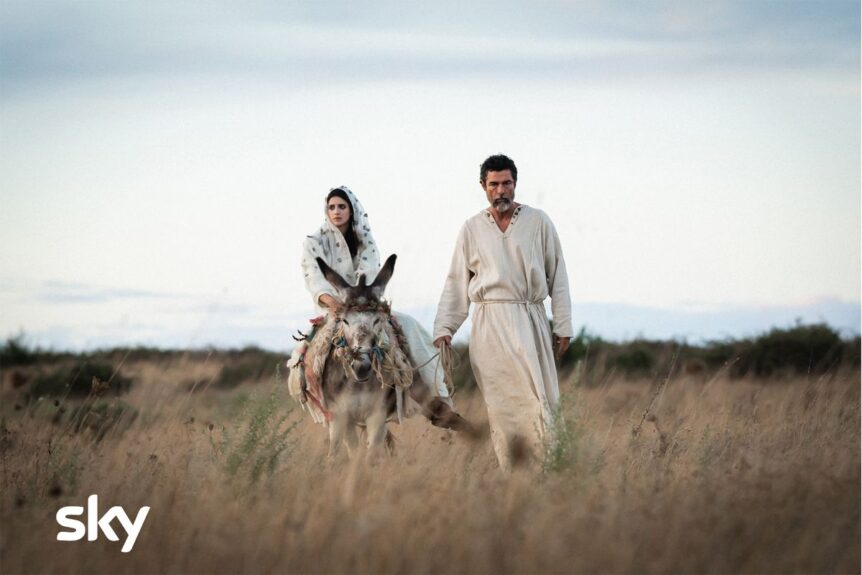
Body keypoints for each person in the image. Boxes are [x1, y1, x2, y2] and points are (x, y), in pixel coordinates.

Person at [433, 154, 573, 470]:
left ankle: (548, 471)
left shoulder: (538, 221)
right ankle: (516, 478)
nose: (501, 191)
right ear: (483, 186)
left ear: (515, 184)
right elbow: (457, 281)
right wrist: (444, 328)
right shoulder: (471, 229)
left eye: (507, 183)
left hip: (530, 319)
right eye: (494, 184)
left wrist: (563, 324)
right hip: (488, 326)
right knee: (503, 409)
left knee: (539, 402)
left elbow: (558, 275)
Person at [291, 186, 451, 421]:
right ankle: (317, 398)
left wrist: (361, 299)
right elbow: (313, 276)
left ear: (352, 210)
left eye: (342, 207)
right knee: (306, 354)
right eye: (332, 207)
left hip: (366, 305)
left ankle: (435, 397)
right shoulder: (313, 242)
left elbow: (370, 269)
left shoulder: (365, 239)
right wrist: (331, 301)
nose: (336, 212)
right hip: (332, 309)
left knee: (407, 328)